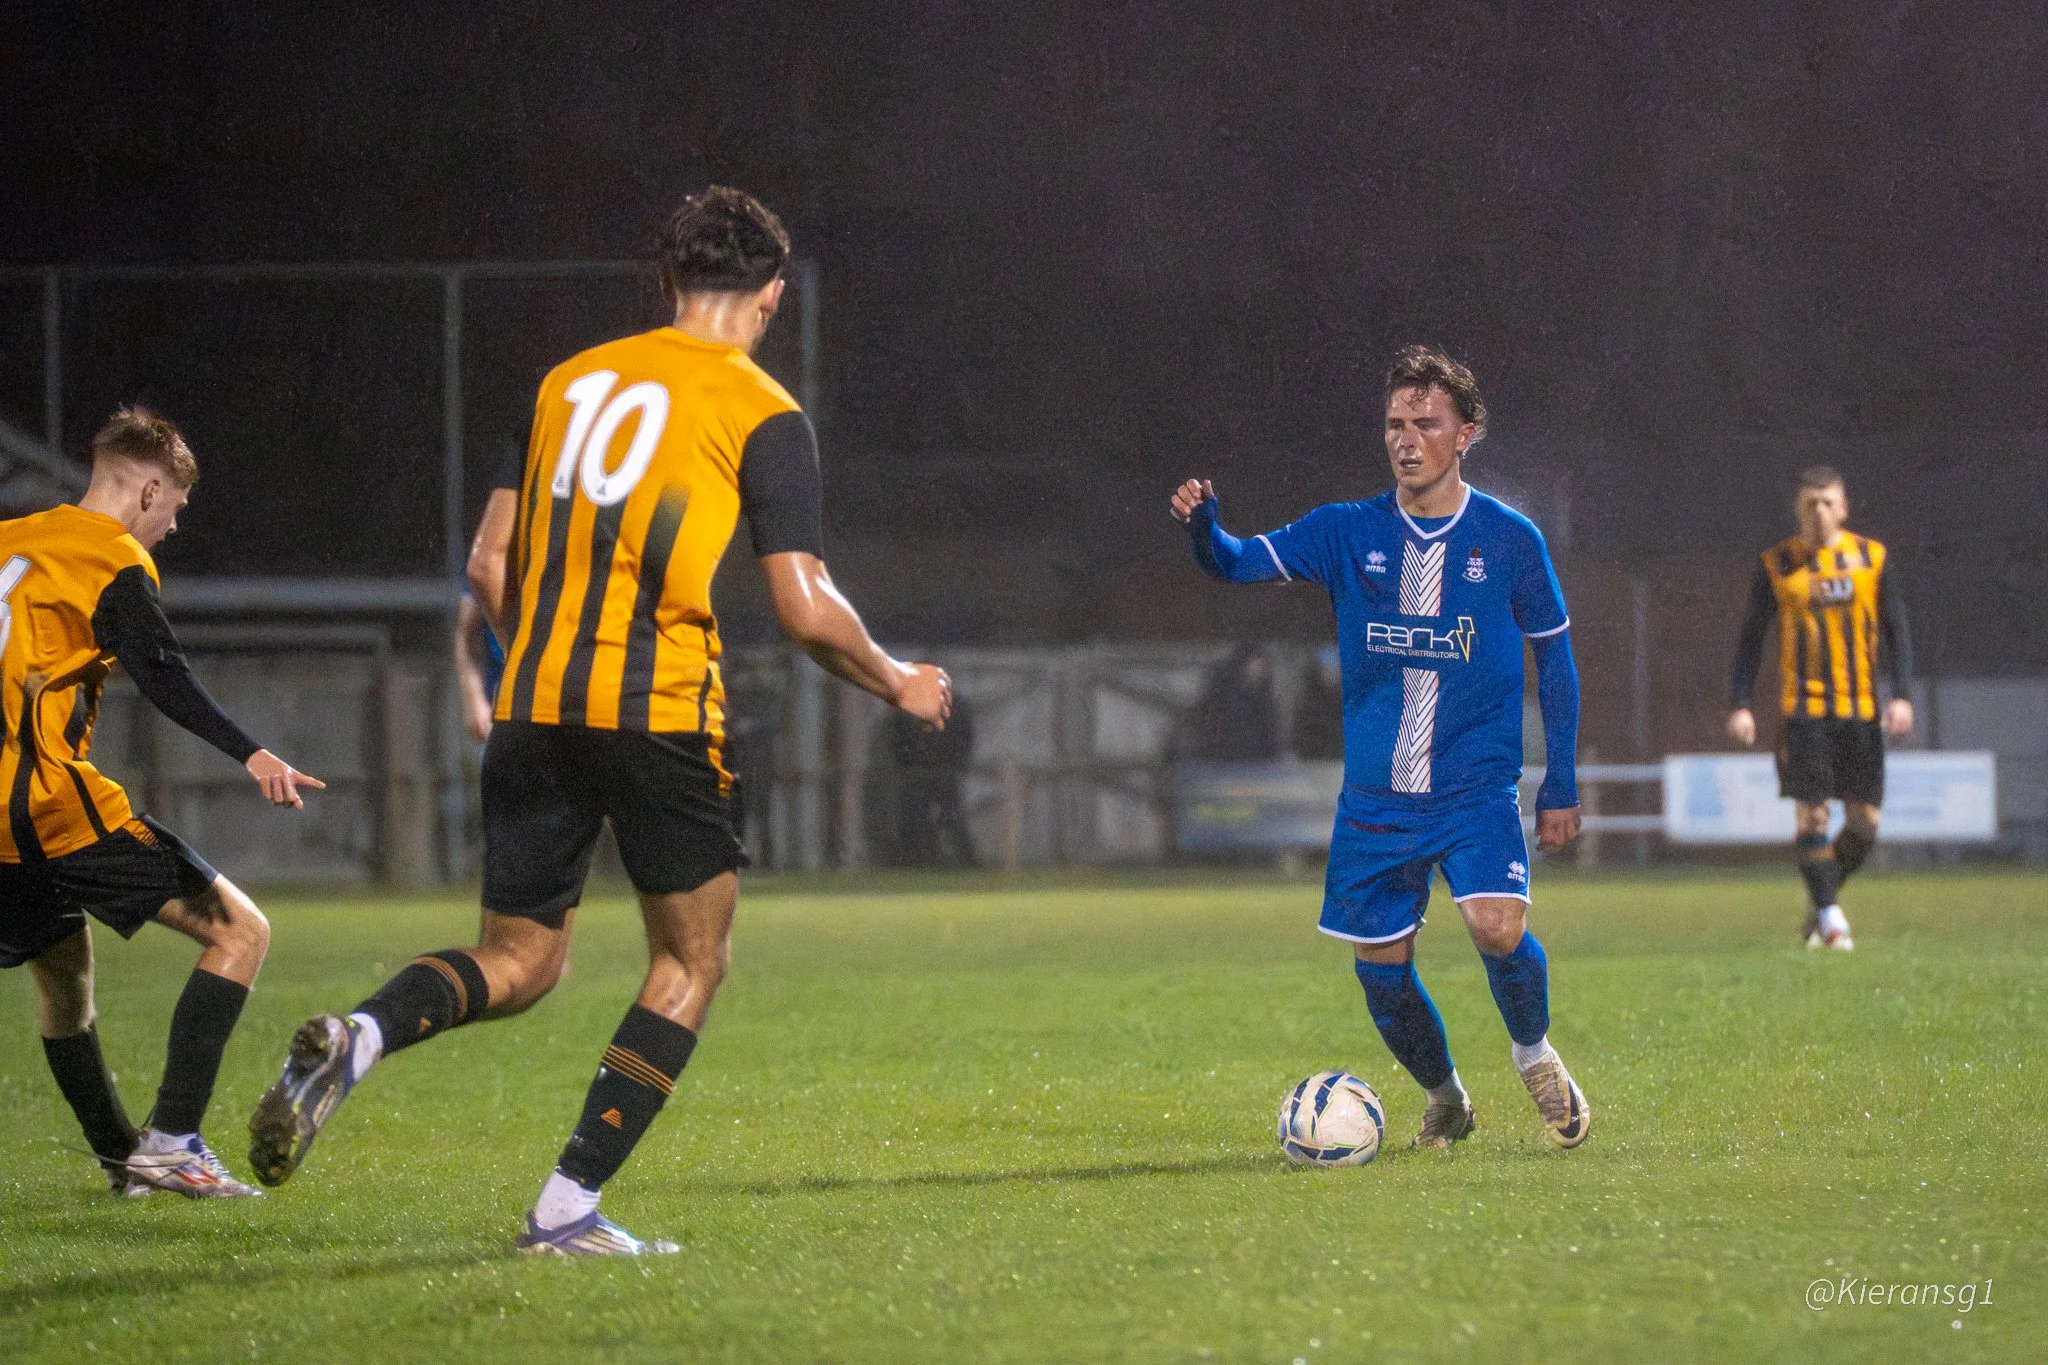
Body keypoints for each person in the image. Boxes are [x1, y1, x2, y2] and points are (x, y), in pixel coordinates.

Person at [249, 186, 952, 1253]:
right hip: (659, 710)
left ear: (666, 284)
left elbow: (489, 563)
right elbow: (804, 607)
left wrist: (548, 652)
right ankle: (567, 1205)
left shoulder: (562, 385)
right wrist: (896, 678)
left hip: (533, 706)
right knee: (688, 963)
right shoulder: (761, 411)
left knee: (520, 960)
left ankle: (365, 1031)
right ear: (769, 297)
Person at [1170, 345, 1590, 1150]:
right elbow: (1234, 563)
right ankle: (1447, 1097)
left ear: (1466, 432)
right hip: (1375, 799)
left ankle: (1536, 1056)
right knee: (1381, 972)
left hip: (1475, 787)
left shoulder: (1509, 539)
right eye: (1395, 423)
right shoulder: (1345, 531)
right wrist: (1204, 529)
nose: (1407, 438)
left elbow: (1556, 656)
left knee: (1497, 925)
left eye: (1426, 423)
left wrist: (1561, 781)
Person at [0, 408, 323, 1197]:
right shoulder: (111, 558)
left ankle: (123, 1156)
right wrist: (252, 751)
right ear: (148, 487)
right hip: (50, 807)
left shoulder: (14, 539)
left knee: (63, 971)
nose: (173, 525)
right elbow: (163, 671)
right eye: (174, 506)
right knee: (241, 932)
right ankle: (175, 1139)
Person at [1727, 467, 1913, 950]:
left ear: (1844, 508)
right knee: (1812, 818)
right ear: (1797, 509)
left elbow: (1897, 632)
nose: (1819, 511)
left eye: (1828, 502)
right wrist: (1741, 703)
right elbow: (1750, 638)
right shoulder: (1777, 565)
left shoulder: (1872, 559)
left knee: (1865, 823)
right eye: (1810, 503)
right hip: (1804, 713)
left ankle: (1821, 899)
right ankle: (1832, 920)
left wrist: (1904, 696)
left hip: (1862, 710)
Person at [451, 448, 522, 742]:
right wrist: (474, 700)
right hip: (504, 706)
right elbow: (464, 635)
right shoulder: (497, 558)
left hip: (539, 702)